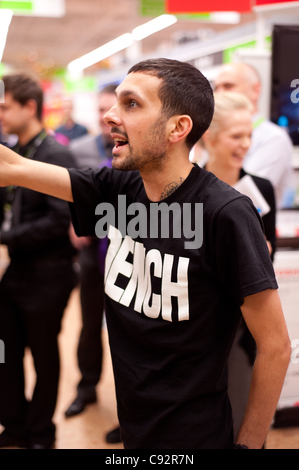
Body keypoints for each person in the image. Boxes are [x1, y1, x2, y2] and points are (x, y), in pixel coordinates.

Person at [0, 59, 291, 449]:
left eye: (131, 104)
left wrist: (249, 445)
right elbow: (13, 166)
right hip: (135, 428)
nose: (109, 115)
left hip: (195, 438)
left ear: (178, 128)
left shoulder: (224, 213)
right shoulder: (118, 189)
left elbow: (275, 346)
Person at [0, 74, 77, 449]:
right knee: (6, 354)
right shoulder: (16, 151)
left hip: (49, 275)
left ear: (30, 107)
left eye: (5, 106)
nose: (0, 114)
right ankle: (13, 426)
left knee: (45, 356)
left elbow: (59, 220)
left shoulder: (54, 155)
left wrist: (5, 238)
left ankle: (40, 433)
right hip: (15, 272)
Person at [202, 91, 277, 437]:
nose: (245, 144)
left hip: (244, 326)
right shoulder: (189, 190)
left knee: (242, 408)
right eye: (236, 136)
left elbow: (268, 252)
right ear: (209, 137)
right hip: (198, 327)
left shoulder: (259, 188)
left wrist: (261, 251)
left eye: (249, 135)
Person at [64, 85, 117, 424]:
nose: (104, 116)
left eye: (110, 109)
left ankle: (128, 407)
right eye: (99, 109)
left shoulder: (140, 151)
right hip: (92, 253)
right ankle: (86, 388)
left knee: (130, 330)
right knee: (88, 325)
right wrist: (73, 220)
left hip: (130, 253)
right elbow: (68, 190)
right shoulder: (81, 149)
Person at [214, 62, 293, 208]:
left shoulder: (274, 139)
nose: (219, 94)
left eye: (228, 86)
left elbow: (244, 197)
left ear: (256, 90)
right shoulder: (212, 135)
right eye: (216, 88)